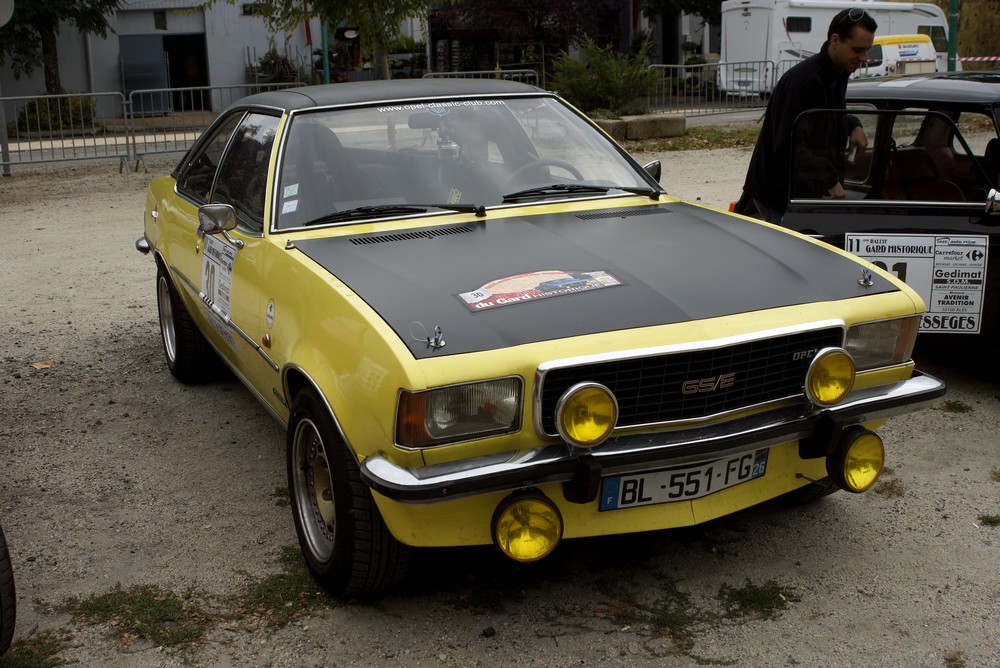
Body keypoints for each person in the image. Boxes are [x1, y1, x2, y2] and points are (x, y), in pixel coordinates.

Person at [740, 7, 878, 223]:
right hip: (778, 198)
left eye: (868, 49)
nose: (864, 57)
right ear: (835, 40)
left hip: (805, 193)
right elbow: (788, 146)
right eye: (858, 49)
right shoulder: (802, 84)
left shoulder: (838, 72)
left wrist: (852, 124)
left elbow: (824, 117)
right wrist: (829, 180)